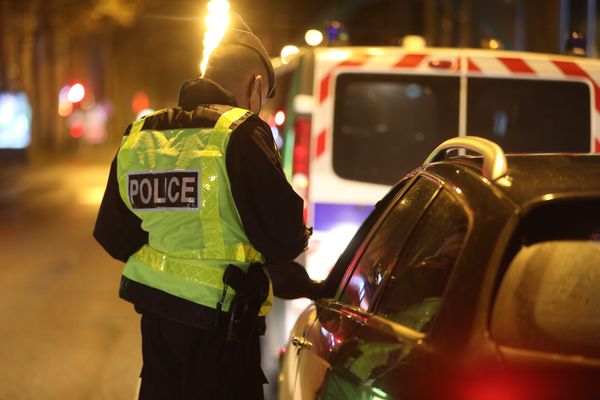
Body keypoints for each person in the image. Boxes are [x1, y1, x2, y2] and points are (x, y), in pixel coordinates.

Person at [94, 14, 320, 400]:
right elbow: (283, 236)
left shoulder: (141, 135)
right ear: (256, 83)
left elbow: (113, 235)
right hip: (223, 328)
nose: (260, 108)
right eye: (262, 100)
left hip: (158, 325)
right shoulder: (242, 132)